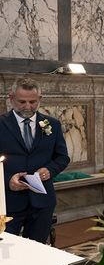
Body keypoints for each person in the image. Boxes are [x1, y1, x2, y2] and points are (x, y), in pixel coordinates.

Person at [1, 78, 70, 243]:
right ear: (11, 99)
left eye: (32, 101)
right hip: (8, 201)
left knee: (38, 250)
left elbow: (62, 157)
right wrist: (7, 179)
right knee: (6, 251)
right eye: (22, 102)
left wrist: (50, 170)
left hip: (42, 202)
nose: (27, 106)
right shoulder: (1, 124)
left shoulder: (51, 124)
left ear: (40, 99)